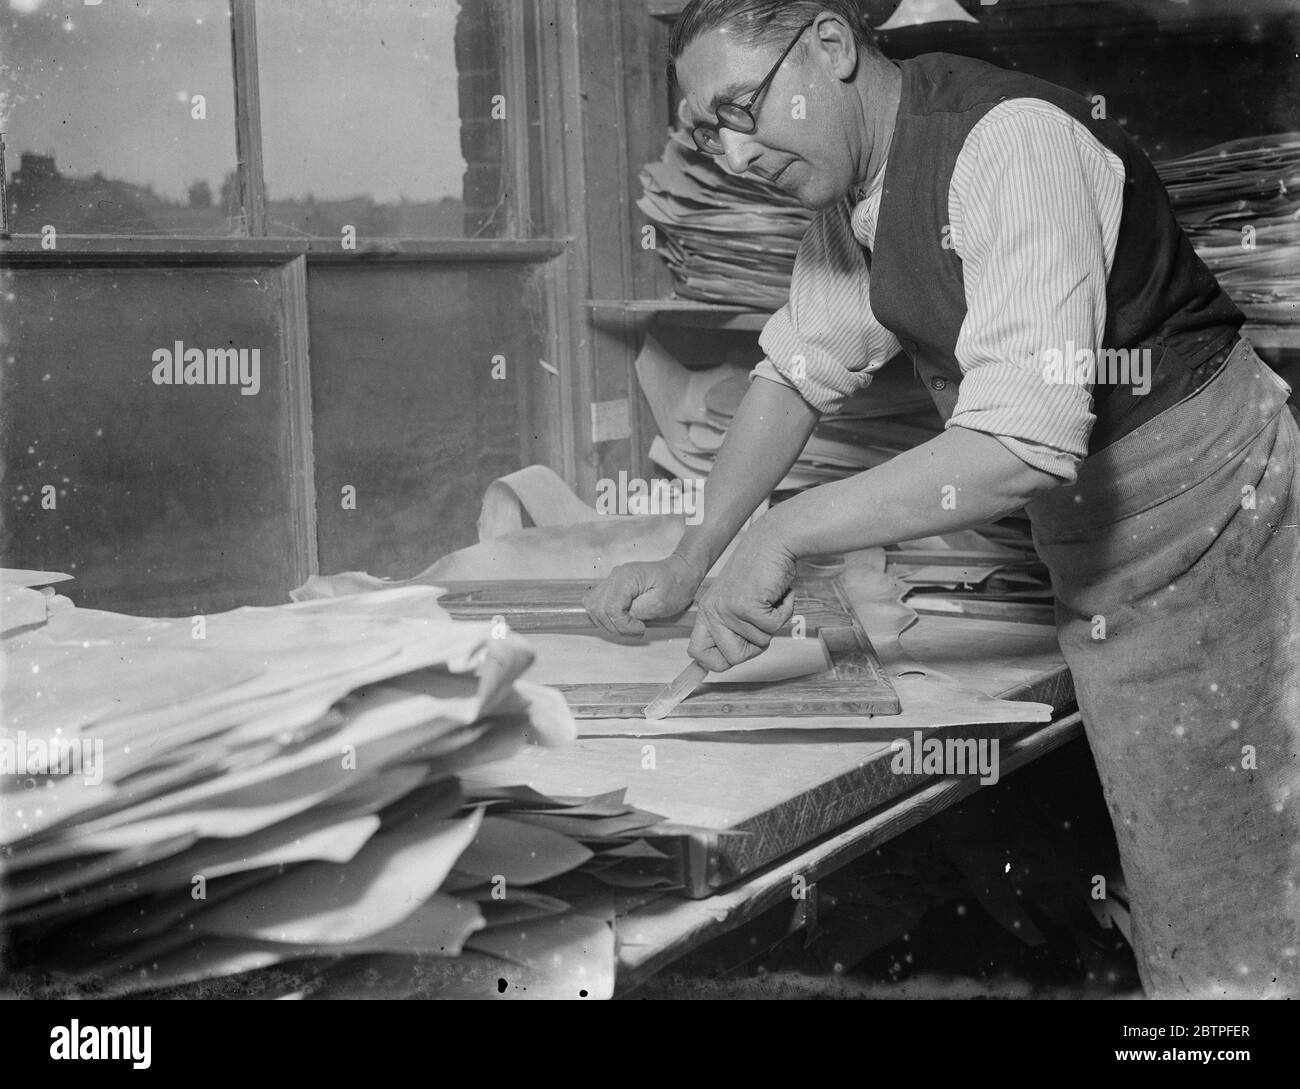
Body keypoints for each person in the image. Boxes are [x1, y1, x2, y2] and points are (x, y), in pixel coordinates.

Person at [584, 0, 1300, 998]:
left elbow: (1018, 441)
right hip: (1095, 531)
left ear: (830, 45)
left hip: (1211, 513)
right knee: (1174, 890)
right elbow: (798, 371)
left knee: (1231, 920)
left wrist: (787, 531)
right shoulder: (852, 186)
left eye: (743, 107)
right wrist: (693, 554)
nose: (738, 154)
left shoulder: (1013, 145)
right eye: (711, 135)